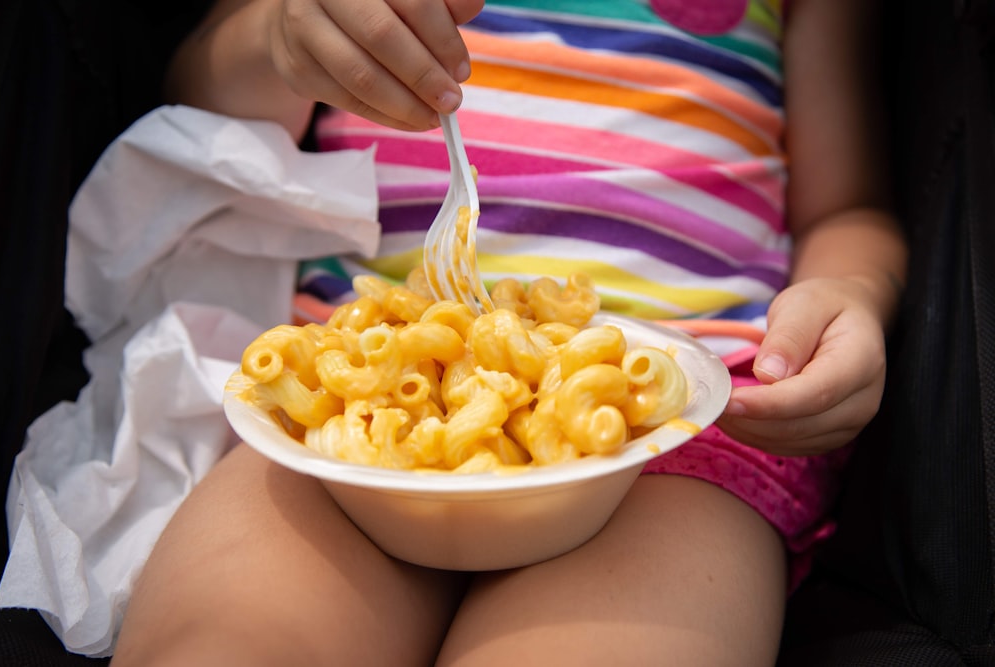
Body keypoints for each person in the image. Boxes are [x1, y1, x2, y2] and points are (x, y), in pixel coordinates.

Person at [110, 1, 907, 665]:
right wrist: (279, 38)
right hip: (344, 411)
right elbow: (202, 107)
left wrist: (856, 292)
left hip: (673, 436)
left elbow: (846, 207)